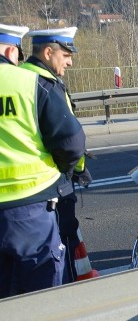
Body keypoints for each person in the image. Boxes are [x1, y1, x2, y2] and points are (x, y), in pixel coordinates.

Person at [0, 23, 86, 321]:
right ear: (10, 51)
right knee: (43, 298)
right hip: (29, 209)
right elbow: (70, 143)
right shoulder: (28, 85)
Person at [22, 27, 93, 284]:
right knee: (62, 242)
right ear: (48, 52)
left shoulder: (22, 77)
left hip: (29, 188)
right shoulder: (43, 84)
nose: (70, 61)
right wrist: (72, 169)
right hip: (53, 182)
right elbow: (69, 140)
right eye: (65, 54)